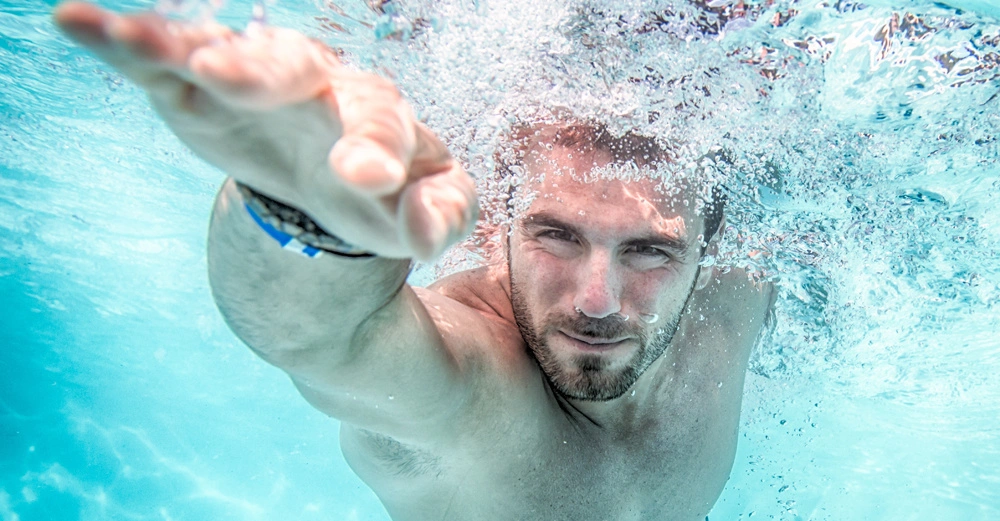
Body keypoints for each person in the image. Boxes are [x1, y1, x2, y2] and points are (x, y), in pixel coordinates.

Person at [54, 3, 774, 520]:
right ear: (500, 221)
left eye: (649, 251)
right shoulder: (471, 386)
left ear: (708, 248)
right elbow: (325, 339)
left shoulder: (736, 297)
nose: (597, 298)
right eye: (555, 235)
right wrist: (304, 207)